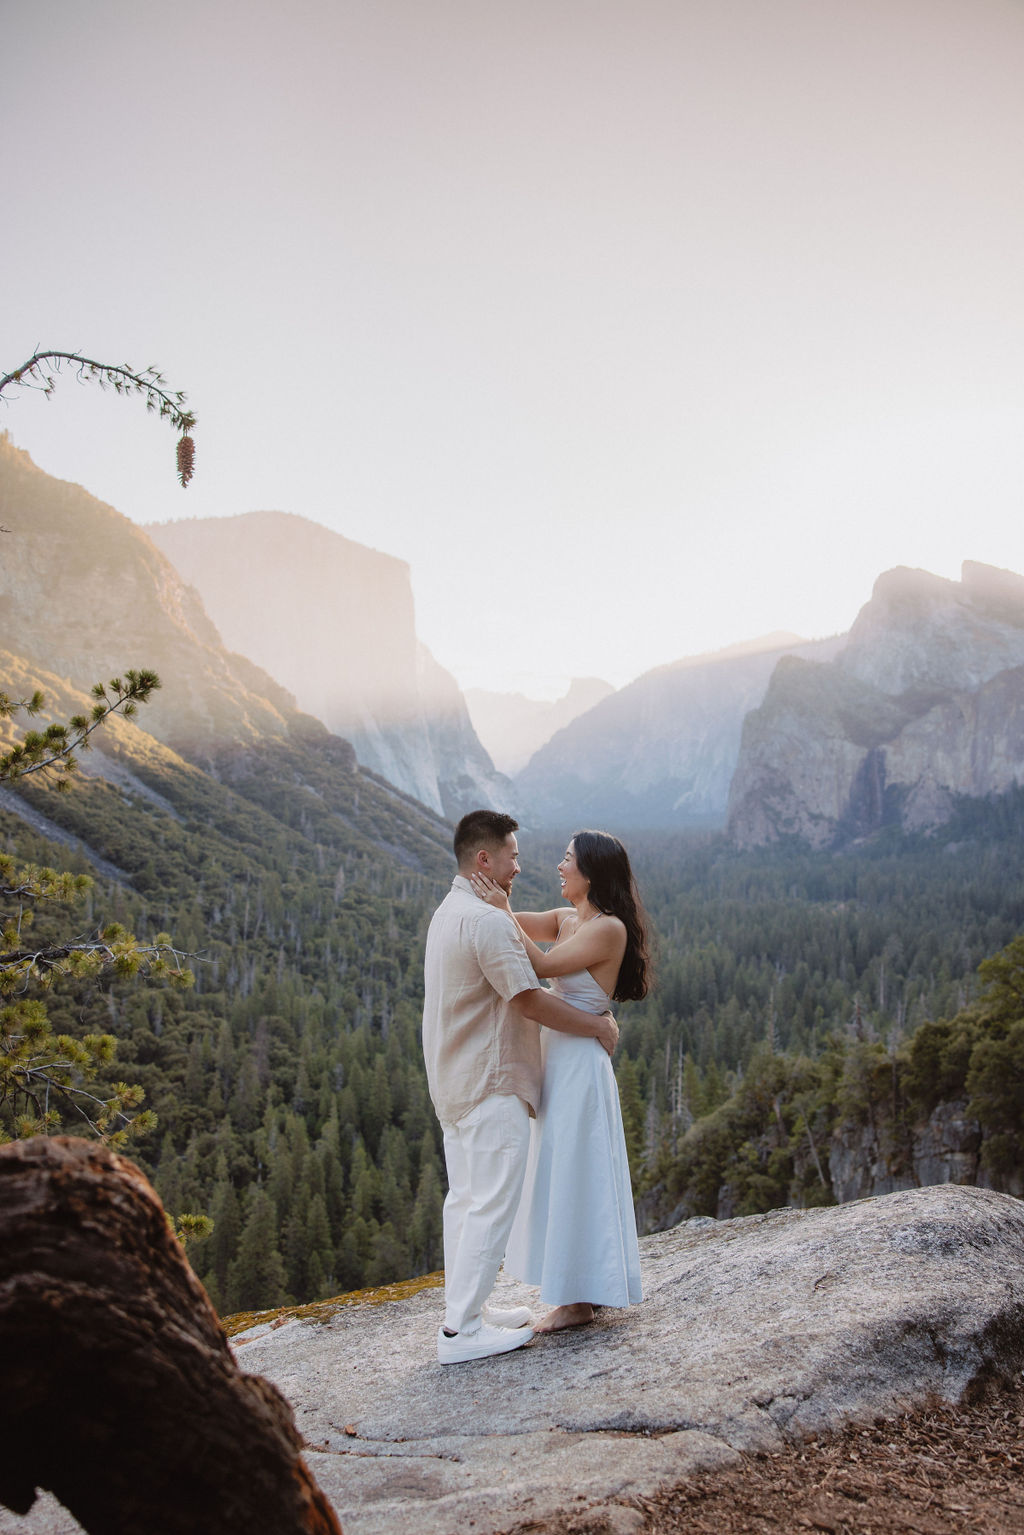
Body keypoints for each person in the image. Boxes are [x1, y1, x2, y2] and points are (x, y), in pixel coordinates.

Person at [422, 809, 619, 1365]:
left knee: (464, 1202)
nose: (519, 865)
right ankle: (462, 1332)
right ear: (484, 859)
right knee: (488, 1205)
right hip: (490, 1080)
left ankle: (467, 1313)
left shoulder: (449, 910)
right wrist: (599, 1025)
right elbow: (528, 997)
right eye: (511, 855)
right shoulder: (486, 921)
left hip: (454, 1082)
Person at [470, 829, 650, 1333]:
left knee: (578, 1170)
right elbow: (515, 928)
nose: (559, 866)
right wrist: (485, 904)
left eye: (567, 859)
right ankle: (580, 1287)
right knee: (564, 1169)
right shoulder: (569, 918)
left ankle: (578, 1299)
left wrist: (501, 910)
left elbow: (543, 962)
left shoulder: (609, 929)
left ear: (590, 872)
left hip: (580, 1066)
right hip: (560, 1058)